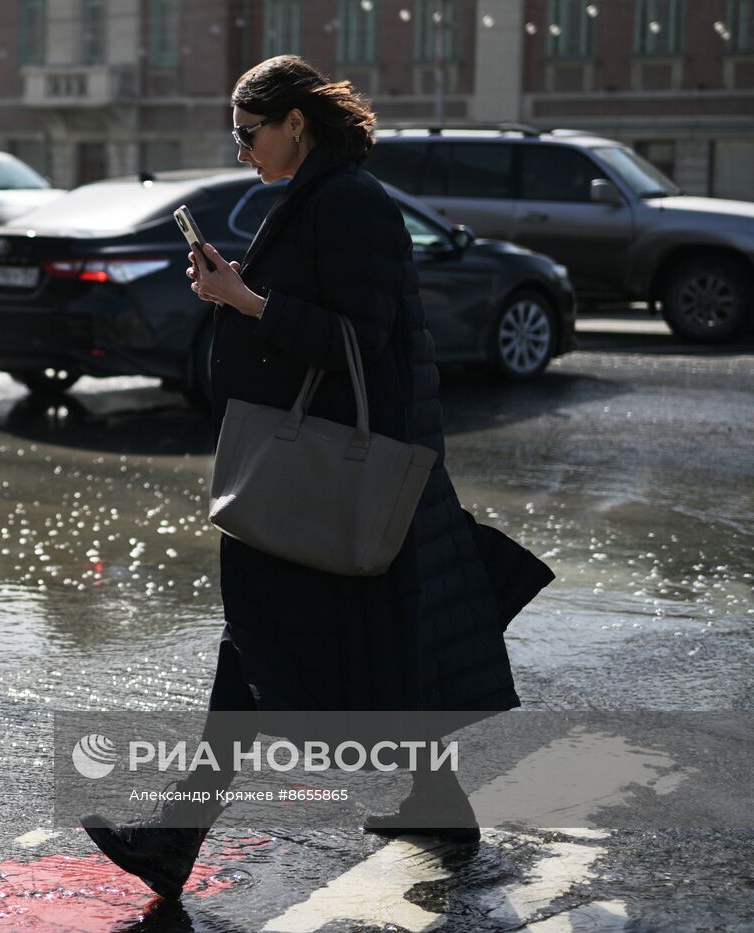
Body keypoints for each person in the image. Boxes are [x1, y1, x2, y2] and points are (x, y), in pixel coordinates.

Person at [80, 56, 554, 900]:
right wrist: (236, 293)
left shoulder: (352, 203)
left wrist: (248, 302)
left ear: (295, 122)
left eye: (247, 133)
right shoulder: (317, 196)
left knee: (262, 639)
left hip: (341, 469)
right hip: (332, 467)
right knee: (374, 642)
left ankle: (173, 839)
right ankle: (437, 806)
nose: (241, 151)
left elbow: (361, 338)